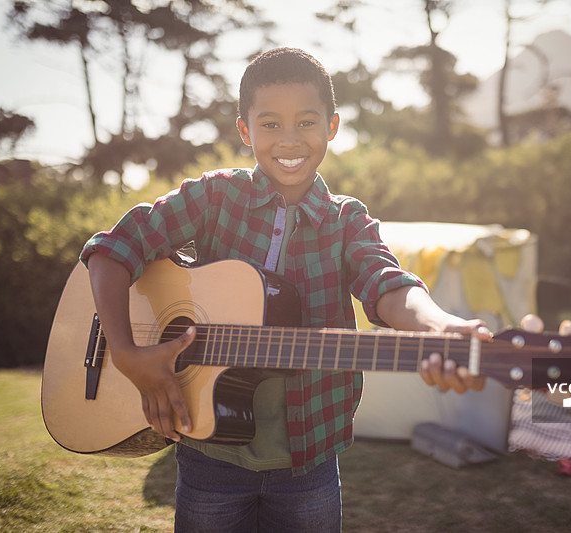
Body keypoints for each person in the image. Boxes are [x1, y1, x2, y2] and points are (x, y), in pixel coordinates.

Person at [81, 47, 490, 533]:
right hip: (208, 456)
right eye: (270, 124)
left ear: (332, 126)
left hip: (309, 459)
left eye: (307, 122)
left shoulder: (346, 220)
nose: (289, 139)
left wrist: (441, 326)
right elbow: (112, 250)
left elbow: (387, 284)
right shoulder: (213, 197)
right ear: (245, 130)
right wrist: (127, 353)